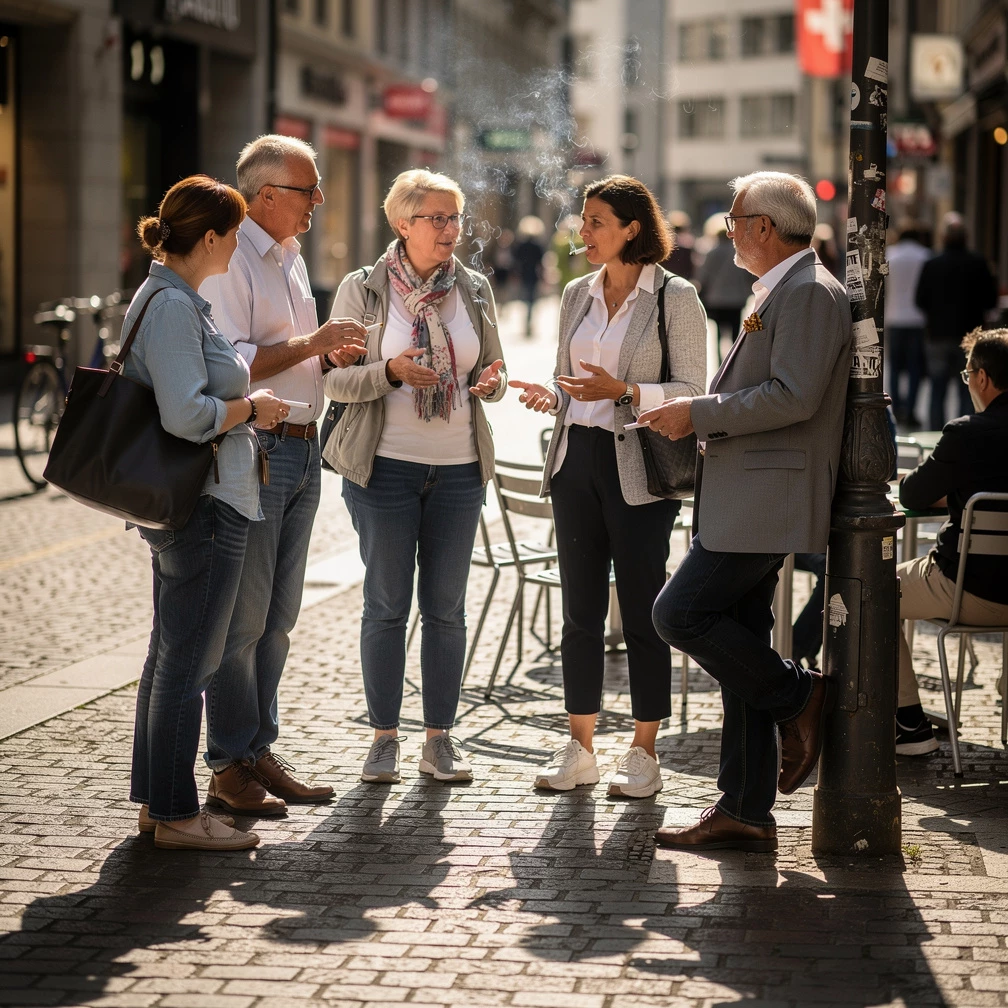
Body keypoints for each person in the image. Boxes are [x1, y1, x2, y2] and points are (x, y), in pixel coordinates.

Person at [645, 171, 852, 852]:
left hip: (768, 497)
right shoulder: (785, 286)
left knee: (677, 614)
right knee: (740, 645)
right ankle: (745, 809)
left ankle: (799, 695)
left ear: (764, 226)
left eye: (734, 219)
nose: (728, 230)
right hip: (751, 493)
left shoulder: (809, 291)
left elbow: (793, 395)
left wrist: (699, 413)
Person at [508, 174, 706, 799]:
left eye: (596, 221)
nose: (583, 230)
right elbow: (570, 380)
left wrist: (623, 391)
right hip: (576, 461)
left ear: (631, 229)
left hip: (637, 465)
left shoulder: (676, 297)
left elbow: (693, 392)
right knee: (580, 613)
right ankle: (581, 749)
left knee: (645, 611)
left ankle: (644, 752)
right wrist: (552, 396)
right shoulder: (576, 293)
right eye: (583, 219)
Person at [199, 135, 367, 816]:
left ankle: (258, 747)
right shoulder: (232, 257)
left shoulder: (289, 255)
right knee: (244, 620)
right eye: (307, 188)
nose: (318, 199)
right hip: (258, 449)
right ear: (266, 195)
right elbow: (230, 363)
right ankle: (228, 763)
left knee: (279, 618)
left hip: (301, 448)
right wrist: (313, 343)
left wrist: (324, 359)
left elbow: (291, 355)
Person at [324, 169, 507, 785]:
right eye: (437, 218)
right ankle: (383, 738)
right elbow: (332, 380)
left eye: (456, 218)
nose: (451, 229)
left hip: (459, 471)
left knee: (446, 609)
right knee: (385, 605)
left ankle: (439, 739)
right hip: (384, 469)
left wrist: (493, 383)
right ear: (403, 224)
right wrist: (391, 373)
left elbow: (494, 367)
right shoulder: (363, 290)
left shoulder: (474, 288)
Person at [127, 175, 288, 850]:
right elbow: (186, 414)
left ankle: (157, 803)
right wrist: (251, 409)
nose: (238, 243)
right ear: (213, 237)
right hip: (205, 504)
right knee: (188, 663)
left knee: (171, 656)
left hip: (202, 499)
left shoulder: (175, 298)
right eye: (236, 231)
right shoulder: (170, 304)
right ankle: (175, 814)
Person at [895, 328, 1008, 755]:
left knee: (869, 591)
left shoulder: (966, 433)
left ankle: (909, 725)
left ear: (982, 378)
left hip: (967, 588)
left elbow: (912, 495)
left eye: (967, 374)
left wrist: (957, 489)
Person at [915, 213, 997, 430]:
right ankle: (964, 433)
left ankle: (936, 435)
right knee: (969, 389)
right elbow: (991, 300)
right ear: (966, 237)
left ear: (943, 237)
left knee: (937, 389)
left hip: (938, 335)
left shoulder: (932, 264)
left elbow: (920, 300)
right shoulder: (978, 263)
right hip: (970, 337)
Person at [886, 225, 931, 425]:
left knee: (895, 367)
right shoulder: (926, 256)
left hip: (894, 316)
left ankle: (896, 408)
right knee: (914, 368)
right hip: (917, 319)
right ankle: (911, 410)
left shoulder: (890, 255)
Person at [694, 224, 755, 355]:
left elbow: (703, 276)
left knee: (718, 333)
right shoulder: (740, 253)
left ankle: (720, 360)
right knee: (735, 331)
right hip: (737, 298)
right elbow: (749, 275)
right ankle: (734, 357)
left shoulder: (711, 253)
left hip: (716, 298)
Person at [512, 215, 546, 337]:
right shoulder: (538, 246)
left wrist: (516, 275)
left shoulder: (521, 245)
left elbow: (516, 262)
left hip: (523, 275)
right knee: (531, 300)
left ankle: (526, 323)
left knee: (525, 299)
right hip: (533, 275)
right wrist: (543, 277)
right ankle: (529, 323)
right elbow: (541, 264)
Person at [660, 210, 695, 281]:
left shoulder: (661, 248)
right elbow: (690, 270)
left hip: (664, 281)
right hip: (681, 280)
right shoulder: (687, 249)